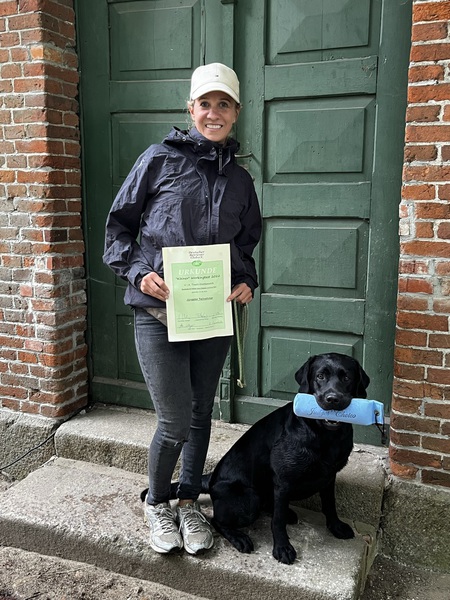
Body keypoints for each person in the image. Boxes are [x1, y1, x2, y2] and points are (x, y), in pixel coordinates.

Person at [103, 63, 262, 556]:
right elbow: (118, 230)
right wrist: (138, 272)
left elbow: (245, 245)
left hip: (212, 315)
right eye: (205, 104)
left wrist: (246, 281)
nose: (214, 113)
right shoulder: (158, 160)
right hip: (158, 312)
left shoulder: (241, 181)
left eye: (224, 104)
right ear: (190, 109)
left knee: (199, 415)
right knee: (174, 421)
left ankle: (189, 500)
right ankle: (157, 502)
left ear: (236, 112)